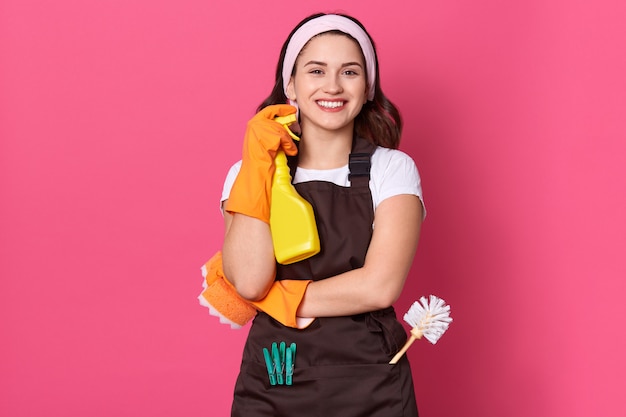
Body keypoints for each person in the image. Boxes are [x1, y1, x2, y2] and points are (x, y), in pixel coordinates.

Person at [217, 12, 424, 417]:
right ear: (290, 85)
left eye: (349, 71)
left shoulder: (392, 169)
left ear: (367, 88)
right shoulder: (246, 173)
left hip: (372, 386)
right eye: (316, 70)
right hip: (274, 381)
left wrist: (282, 298)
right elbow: (248, 279)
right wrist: (259, 163)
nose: (332, 86)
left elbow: (379, 287)